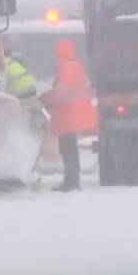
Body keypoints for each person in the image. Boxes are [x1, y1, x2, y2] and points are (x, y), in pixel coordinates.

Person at [42, 39, 97, 192]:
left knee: (68, 148)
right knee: (68, 147)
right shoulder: (74, 66)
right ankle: (71, 179)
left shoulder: (68, 68)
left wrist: (47, 98)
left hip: (69, 115)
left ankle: (71, 181)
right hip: (71, 115)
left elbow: (62, 91)